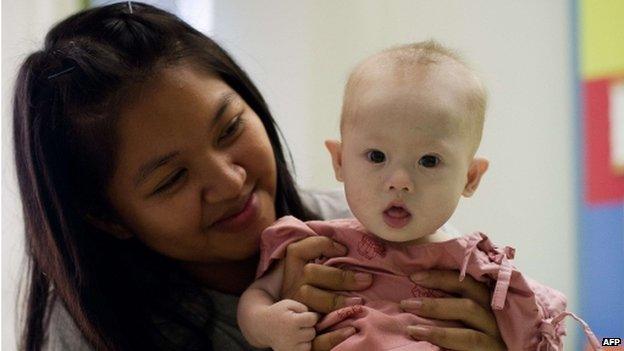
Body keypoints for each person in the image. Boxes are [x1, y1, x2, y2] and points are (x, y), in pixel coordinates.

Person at [13, 3, 505, 350]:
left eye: (229, 128)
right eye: (171, 179)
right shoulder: (89, 329)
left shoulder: (363, 225)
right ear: (105, 216)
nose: (228, 181)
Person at [237, 41, 602, 351]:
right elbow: (257, 297)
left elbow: (550, 336)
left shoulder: (478, 272)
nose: (399, 181)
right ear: (339, 161)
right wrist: (270, 324)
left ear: (470, 177)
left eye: (429, 160)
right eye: (377, 157)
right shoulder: (317, 244)